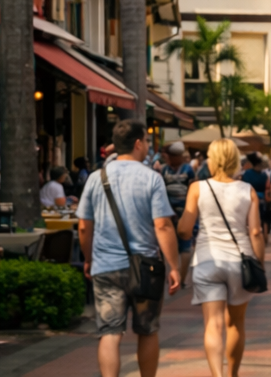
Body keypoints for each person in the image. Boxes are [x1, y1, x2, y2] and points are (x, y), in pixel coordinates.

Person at [78, 120, 182, 377]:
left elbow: (83, 227)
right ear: (137, 144)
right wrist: (174, 266)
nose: (148, 146)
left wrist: (89, 258)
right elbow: (163, 227)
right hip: (145, 268)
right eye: (146, 141)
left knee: (110, 333)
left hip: (106, 267)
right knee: (147, 331)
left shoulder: (95, 178)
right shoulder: (152, 178)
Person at [177, 140, 263, 377]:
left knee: (212, 325)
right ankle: (232, 374)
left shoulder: (197, 188)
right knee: (236, 323)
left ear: (212, 160)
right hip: (240, 261)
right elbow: (255, 232)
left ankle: (217, 375)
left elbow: (184, 230)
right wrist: (260, 264)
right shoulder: (248, 190)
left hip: (207, 261)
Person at [161, 142, 196, 285]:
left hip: (175, 212)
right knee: (181, 244)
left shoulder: (166, 171)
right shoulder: (187, 170)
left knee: (177, 244)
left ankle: (177, 275)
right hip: (177, 211)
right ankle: (179, 276)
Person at [240, 153, 271, 234]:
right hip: (262, 199)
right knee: (262, 218)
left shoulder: (247, 173)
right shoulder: (264, 175)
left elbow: (244, 186)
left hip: (250, 198)